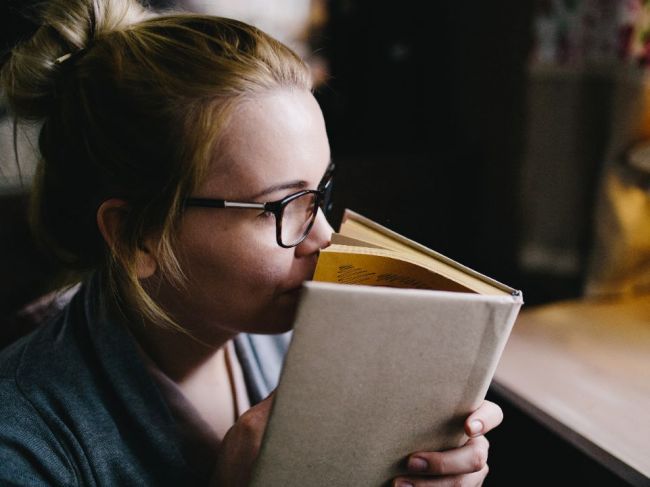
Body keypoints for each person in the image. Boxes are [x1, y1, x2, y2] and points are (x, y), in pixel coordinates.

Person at [0, 0, 503, 485]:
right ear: (137, 236)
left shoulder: (312, 335)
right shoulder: (24, 445)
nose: (326, 239)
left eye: (320, 193)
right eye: (282, 207)